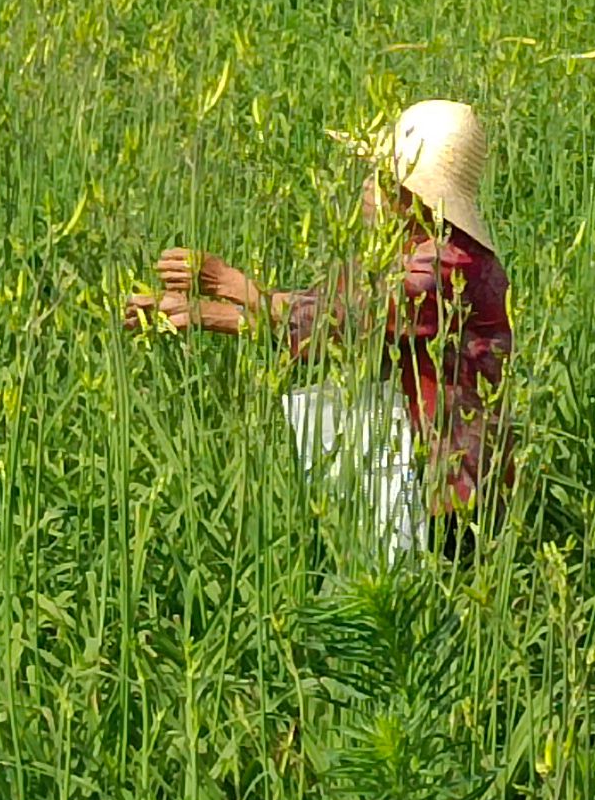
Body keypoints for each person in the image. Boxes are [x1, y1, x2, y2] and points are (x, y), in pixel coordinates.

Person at [130, 100, 513, 554]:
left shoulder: (441, 268)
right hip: (425, 471)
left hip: (452, 485)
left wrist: (229, 284)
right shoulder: (412, 252)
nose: (368, 190)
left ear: (419, 197)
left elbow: (345, 321)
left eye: (385, 179)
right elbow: (322, 320)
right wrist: (199, 313)